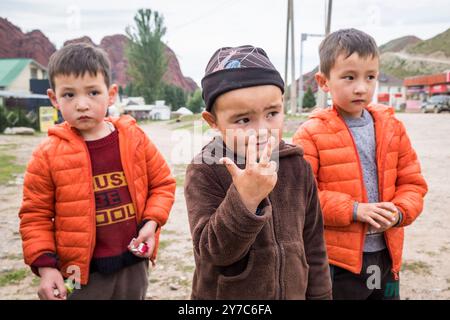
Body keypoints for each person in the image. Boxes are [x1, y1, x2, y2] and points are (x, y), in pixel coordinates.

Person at [19, 43, 176, 300]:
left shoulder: (133, 137)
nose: (82, 104)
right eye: (69, 95)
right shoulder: (47, 154)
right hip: (78, 273)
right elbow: (34, 215)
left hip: (133, 264)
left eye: (93, 92)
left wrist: (151, 223)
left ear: (111, 94)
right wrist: (46, 268)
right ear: (54, 99)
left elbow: (162, 184)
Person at [184, 45, 332, 299]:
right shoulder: (205, 170)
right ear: (213, 121)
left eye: (272, 113)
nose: (262, 130)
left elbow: (314, 245)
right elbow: (212, 252)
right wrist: (245, 199)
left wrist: (321, 295)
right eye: (243, 120)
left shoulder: (297, 167)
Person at [293, 28, 428, 300]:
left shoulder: (393, 127)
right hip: (335, 262)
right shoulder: (310, 134)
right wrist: (354, 210)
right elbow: (300, 197)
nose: (361, 87)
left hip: (386, 256)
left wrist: (400, 212)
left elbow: (413, 184)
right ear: (323, 82)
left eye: (370, 77)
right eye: (349, 77)